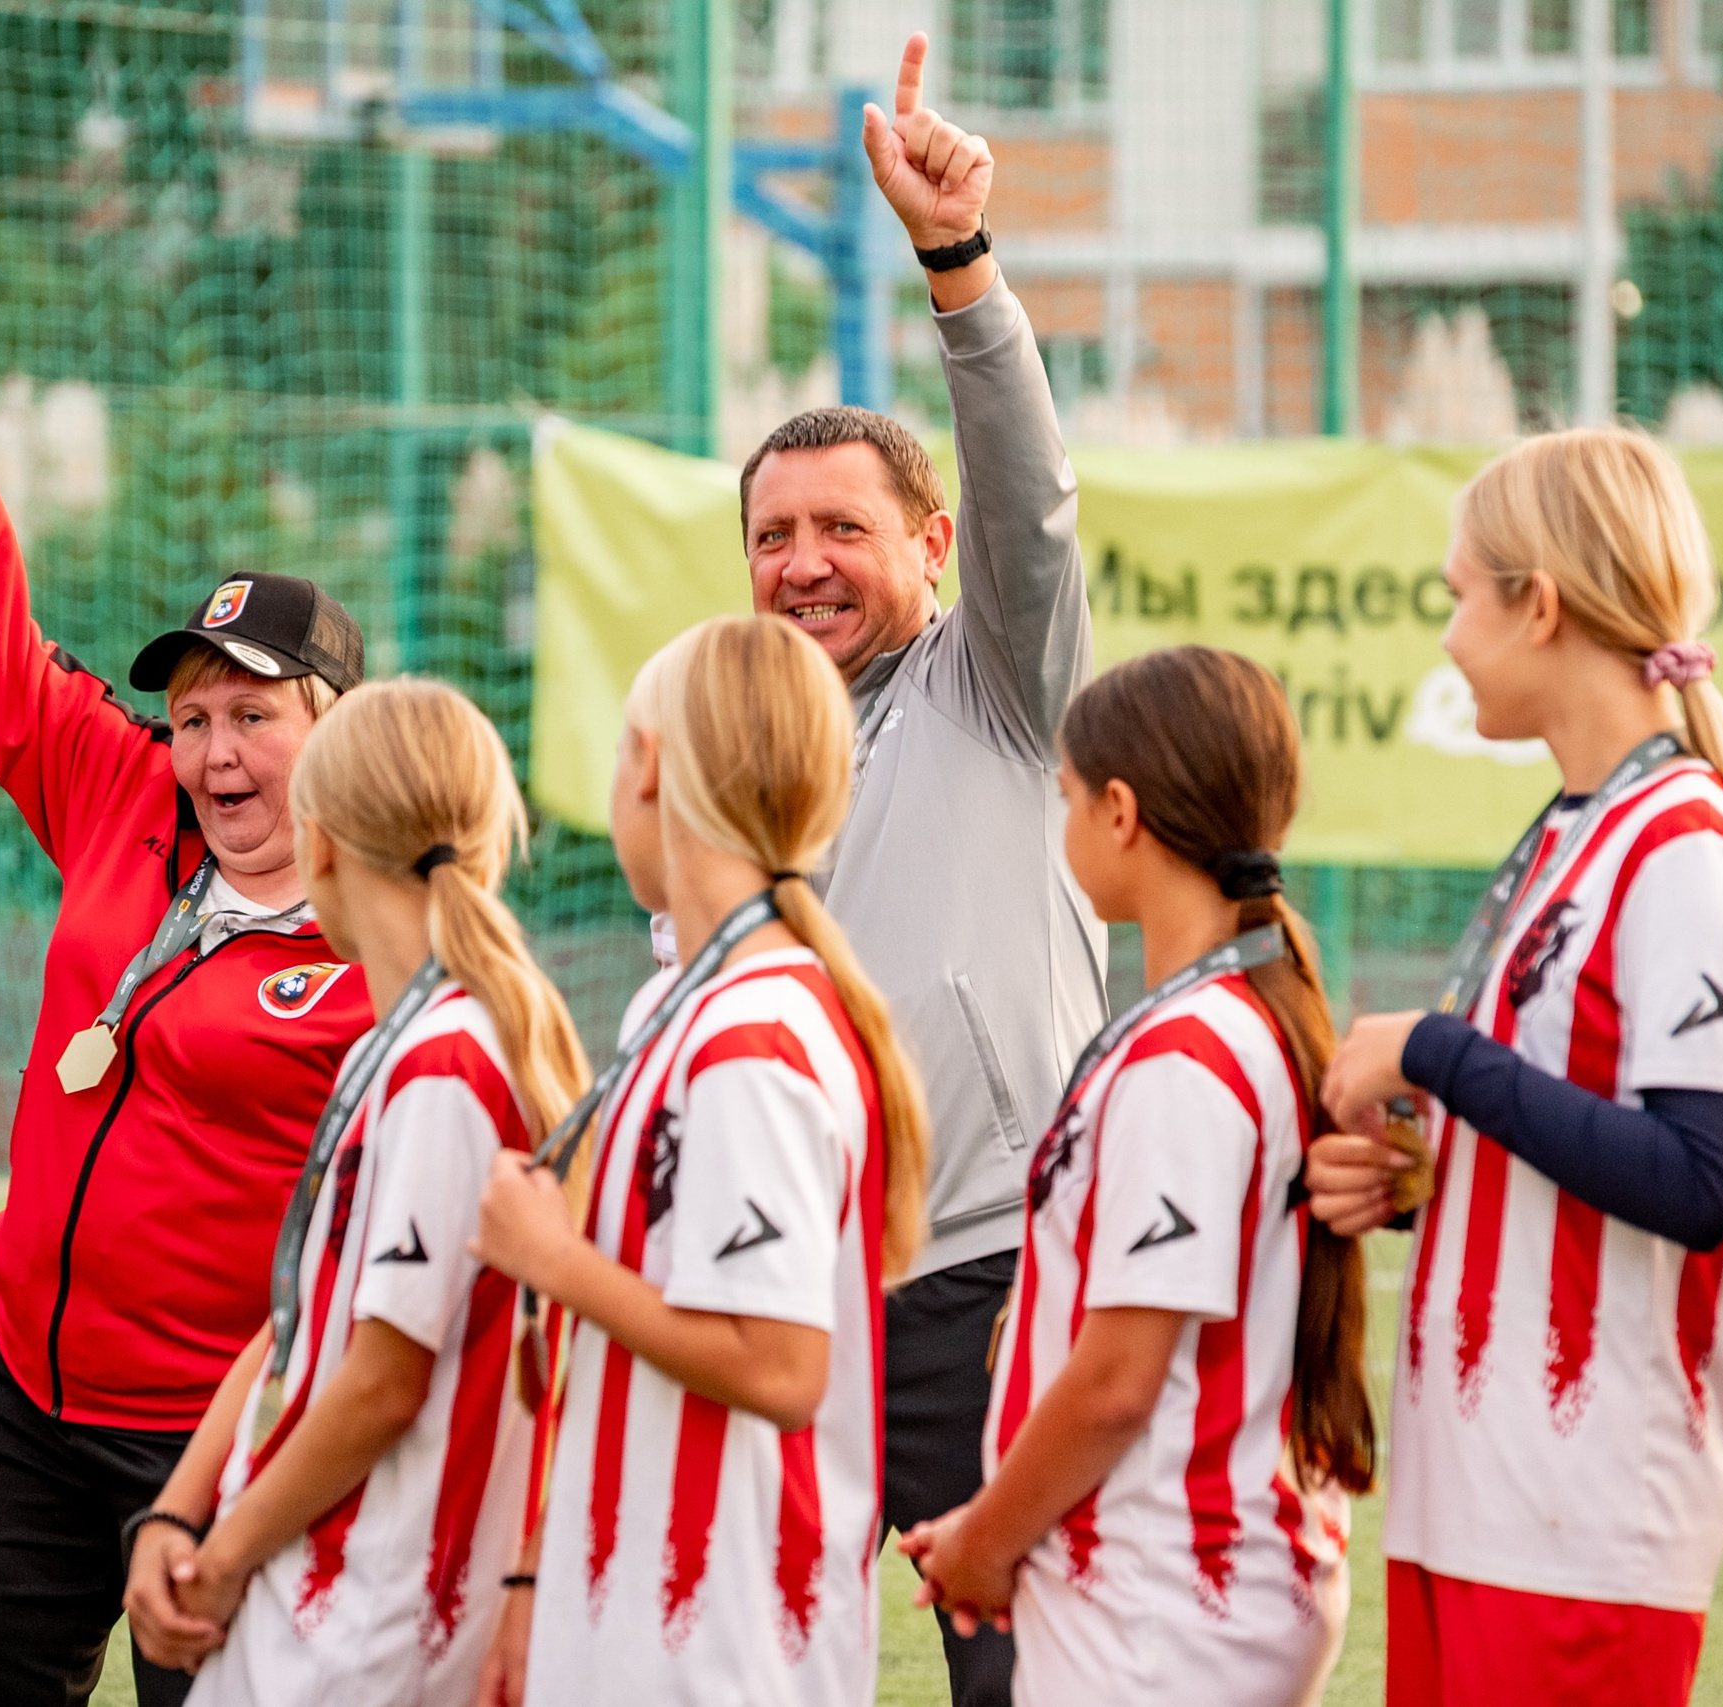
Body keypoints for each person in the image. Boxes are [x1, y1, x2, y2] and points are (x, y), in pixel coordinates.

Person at [0, 263, 377, 1707]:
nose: (211, 753)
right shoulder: (122, 793)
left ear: (338, 730)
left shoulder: (392, 945)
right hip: (19, 1395)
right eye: (191, 716)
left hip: (221, 1440)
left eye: (251, 715)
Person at [1306, 427, 1723, 1707]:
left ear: (1538, 607)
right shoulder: (1577, 831)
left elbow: (1696, 1179)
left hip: (1584, 1514)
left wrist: (1433, 1052)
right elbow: (1568, 1128)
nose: (1446, 638)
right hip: (1477, 1496)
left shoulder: (1684, 848)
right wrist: (1418, 1182)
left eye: (1460, 596)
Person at [738, 40, 1097, 1703]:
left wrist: (958, 264)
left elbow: (1034, 501)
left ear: (931, 546)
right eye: (774, 535)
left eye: (843, 529)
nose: (804, 563)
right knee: (737, 1649)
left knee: (1008, 1665)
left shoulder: (997, 682)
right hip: (791, 1278)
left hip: (986, 1266)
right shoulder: (741, 754)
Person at [467, 614, 930, 1707]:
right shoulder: (691, 1008)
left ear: (652, 767)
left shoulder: (753, 1036)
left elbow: (778, 1367)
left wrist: (552, 1259)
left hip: (721, 1644)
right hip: (647, 1617)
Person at [901, 647, 1377, 1707]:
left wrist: (987, 1539)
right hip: (1170, 1580)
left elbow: (1120, 1380)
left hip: (1170, 1593)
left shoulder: (1188, 1055)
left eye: (1066, 796)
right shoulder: (1229, 1017)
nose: (1060, 820)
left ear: (1118, 813)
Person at [118, 679, 588, 1705]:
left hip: (364, 1621)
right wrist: (178, 1511)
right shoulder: (413, 1042)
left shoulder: (445, 1063)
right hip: (339, 1605)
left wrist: (224, 1553)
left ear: (321, 843)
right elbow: (304, 1322)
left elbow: (383, 1381)